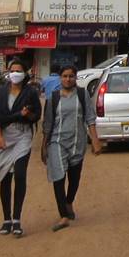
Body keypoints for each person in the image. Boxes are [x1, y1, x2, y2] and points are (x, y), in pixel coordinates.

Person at [0, 58, 43, 238]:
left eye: (19, 70)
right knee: (6, 177)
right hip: (4, 136)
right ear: (8, 72)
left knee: (20, 174)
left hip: (23, 135)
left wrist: (27, 114)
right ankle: (6, 219)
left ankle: (17, 219)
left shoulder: (30, 92)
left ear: (24, 73)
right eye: (12, 70)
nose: (15, 73)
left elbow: (36, 115)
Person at [39, 66, 102, 232]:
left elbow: (90, 117)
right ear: (60, 78)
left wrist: (95, 140)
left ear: (75, 78)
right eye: (65, 76)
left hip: (77, 142)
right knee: (58, 177)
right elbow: (47, 124)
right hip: (57, 142)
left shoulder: (82, 95)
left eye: (71, 76)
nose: (68, 79)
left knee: (74, 178)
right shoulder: (53, 98)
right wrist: (44, 146)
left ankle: (69, 202)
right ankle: (63, 216)